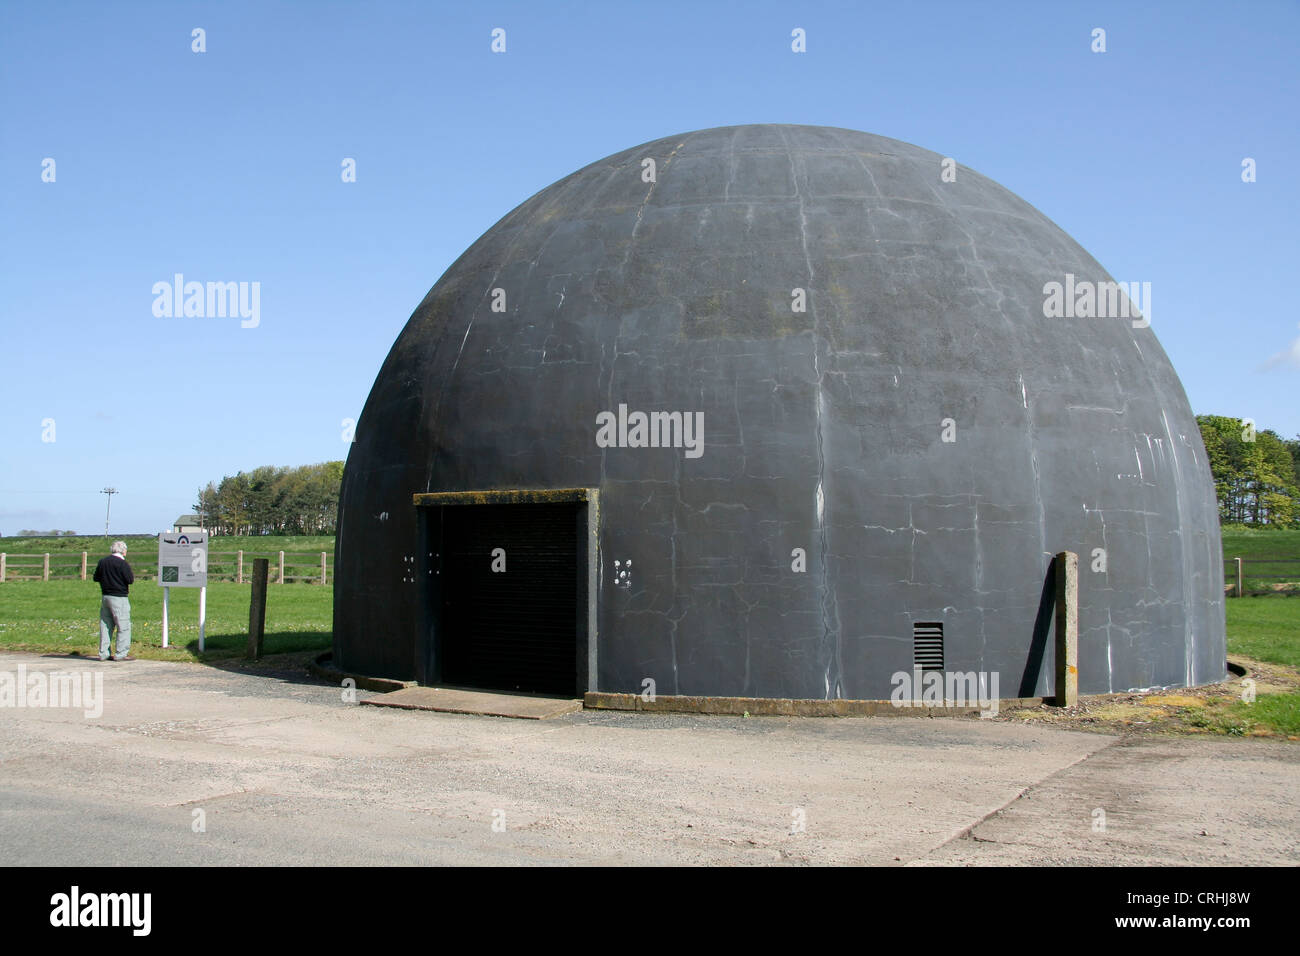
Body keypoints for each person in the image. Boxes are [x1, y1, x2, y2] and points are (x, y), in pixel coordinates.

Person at [93, 540, 135, 661]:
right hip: (119, 597)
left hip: (105, 596)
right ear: (123, 551)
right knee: (123, 626)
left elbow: (96, 577)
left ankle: (103, 653)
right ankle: (121, 653)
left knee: (106, 625)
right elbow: (130, 579)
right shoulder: (122, 564)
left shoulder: (103, 562)